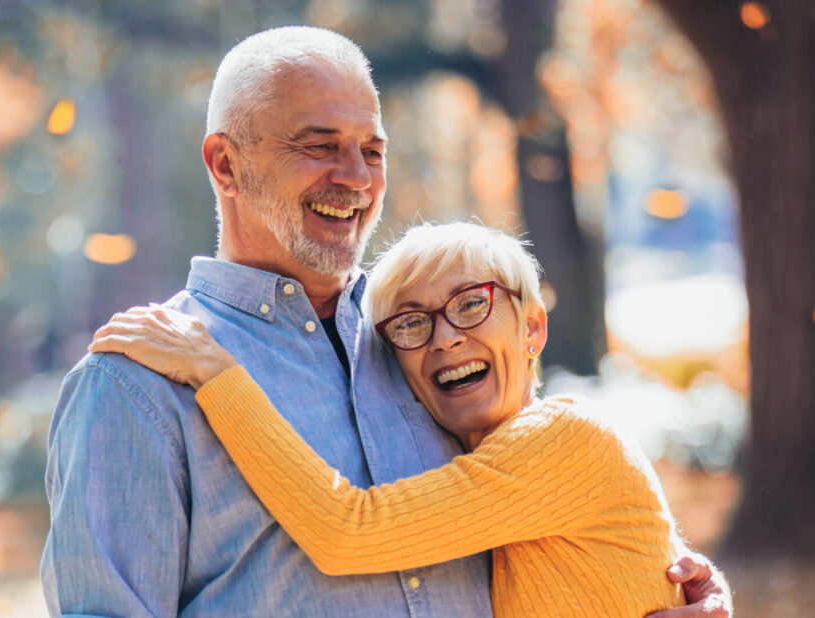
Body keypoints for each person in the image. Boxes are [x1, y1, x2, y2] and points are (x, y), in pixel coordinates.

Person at [41, 26, 731, 616]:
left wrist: (663, 581)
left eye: (372, 150)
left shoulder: (425, 346)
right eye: (319, 146)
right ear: (226, 163)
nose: (357, 177)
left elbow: (551, 519)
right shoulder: (137, 384)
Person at [90, 221, 693, 615]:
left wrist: (216, 373)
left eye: (471, 304)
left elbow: (347, 531)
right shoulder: (473, 462)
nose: (446, 338)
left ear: (532, 326)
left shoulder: (567, 439)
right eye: (411, 323)